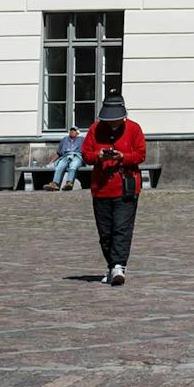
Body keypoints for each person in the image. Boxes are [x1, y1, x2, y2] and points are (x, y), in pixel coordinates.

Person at [84, 95, 145, 285]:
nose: (112, 123)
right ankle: (112, 266)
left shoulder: (134, 129)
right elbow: (86, 154)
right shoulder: (95, 129)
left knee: (122, 228)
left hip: (125, 187)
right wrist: (98, 156)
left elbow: (140, 154)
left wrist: (123, 156)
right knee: (105, 233)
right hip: (101, 188)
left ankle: (119, 266)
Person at [47, 126, 83, 191]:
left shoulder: (81, 139)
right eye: (71, 130)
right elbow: (59, 153)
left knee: (73, 166)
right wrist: (51, 162)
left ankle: (69, 183)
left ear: (77, 132)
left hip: (77, 156)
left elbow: (86, 150)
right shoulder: (65, 139)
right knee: (59, 167)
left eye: (74, 130)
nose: (72, 132)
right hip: (65, 156)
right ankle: (55, 184)